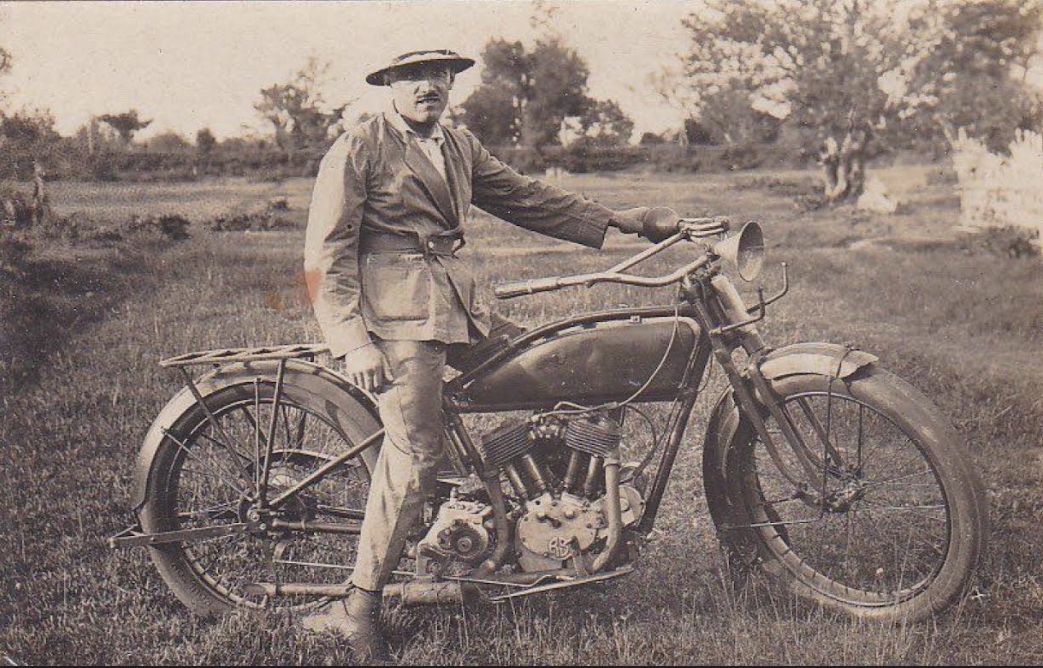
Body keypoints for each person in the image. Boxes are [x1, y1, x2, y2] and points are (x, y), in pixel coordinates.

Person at [301, 49, 677, 658]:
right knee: (416, 454)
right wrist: (352, 341)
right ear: (390, 85)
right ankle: (358, 603)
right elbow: (326, 253)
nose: (430, 86)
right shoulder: (359, 147)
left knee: (554, 372)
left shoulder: (458, 145)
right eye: (414, 76)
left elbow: (530, 199)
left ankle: (540, 524)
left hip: (456, 307)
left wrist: (623, 221)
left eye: (441, 75)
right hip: (394, 318)